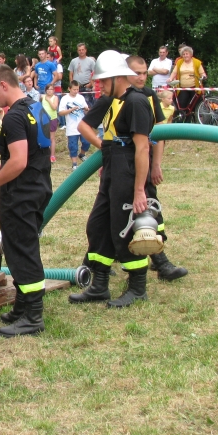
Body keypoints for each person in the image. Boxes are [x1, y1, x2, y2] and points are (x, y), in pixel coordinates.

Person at [70, 51, 155, 308]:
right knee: (98, 225)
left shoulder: (136, 102)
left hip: (126, 170)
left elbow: (142, 148)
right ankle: (99, 285)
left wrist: (139, 190)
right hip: (112, 166)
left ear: (118, 78)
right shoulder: (116, 101)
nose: (101, 86)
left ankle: (138, 288)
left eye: (104, 80)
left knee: (124, 226)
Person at [0, 64, 53, 337]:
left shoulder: (14, 117)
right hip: (38, 185)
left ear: (4, 85)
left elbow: (19, 162)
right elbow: (31, 151)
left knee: (22, 249)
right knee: (21, 246)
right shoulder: (37, 107)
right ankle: (22, 305)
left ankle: (33, 316)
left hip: (21, 192)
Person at [125, 55, 187, 281]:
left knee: (150, 207)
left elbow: (159, 133)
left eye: (145, 73)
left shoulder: (150, 96)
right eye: (137, 73)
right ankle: (96, 263)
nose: (142, 78)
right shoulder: (119, 97)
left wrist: (156, 164)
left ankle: (160, 260)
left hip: (144, 160)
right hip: (123, 163)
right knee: (111, 214)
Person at [58, 81, 90, 170]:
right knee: (73, 146)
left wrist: (86, 109)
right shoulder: (64, 99)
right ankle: (74, 164)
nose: (76, 91)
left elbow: (86, 109)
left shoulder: (81, 97)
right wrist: (70, 110)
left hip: (82, 125)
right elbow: (60, 112)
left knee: (86, 142)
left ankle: (82, 154)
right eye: (74, 89)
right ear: (69, 89)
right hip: (71, 127)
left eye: (77, 89)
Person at [168, 46, 207, 114]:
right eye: (183, 54)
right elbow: (174, 72)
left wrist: (203, 76)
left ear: (191, 54)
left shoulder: (197, 62)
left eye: (187, 54)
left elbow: (202, 73)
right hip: (183, 87)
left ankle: (192, 117)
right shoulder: (179, 62)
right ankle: (182, 116)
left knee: (194, 105)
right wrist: (170, 78)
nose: (185, 55)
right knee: (182, 104)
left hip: (194, 87)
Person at [41, 84, 59, 162]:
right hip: (44, 119)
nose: (49, 91)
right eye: (48, 89)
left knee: (52, 137)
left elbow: (54, 107)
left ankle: (52, 155)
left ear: (53, 90)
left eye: (51, 89)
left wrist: (48, 100)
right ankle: (44, 154)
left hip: (52, 119)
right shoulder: (42, 97)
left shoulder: (55, 97)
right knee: (44, 136)